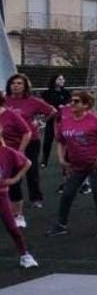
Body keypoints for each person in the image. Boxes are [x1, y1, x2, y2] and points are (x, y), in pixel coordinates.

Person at [47, 90, 97, 237]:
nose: (72, 103)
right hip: (76, 165)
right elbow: (61, 141)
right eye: (72, 100)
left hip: (95, 164)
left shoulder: (95, 120)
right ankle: (61, 225)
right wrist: (61, 159)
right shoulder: (66, 120)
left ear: (86, 104)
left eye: (76, 101)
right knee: (67, 194)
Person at [3, 74, 54, 217]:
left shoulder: (33, 101)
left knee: (31, 170)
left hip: (31, 141)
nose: (16, 86)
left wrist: (40, 122)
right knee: (9, 171)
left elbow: (52, 111)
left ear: (25, 86)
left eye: (19, 83)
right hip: (9, 142)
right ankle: (12, 198)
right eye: (13, 83)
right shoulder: (5, 101)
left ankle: (36, 198)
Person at [0, 141, 38, 268]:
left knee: (12, 227)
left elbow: (27, 163)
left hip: (1, 194)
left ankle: (24, 255)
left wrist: (15, 179)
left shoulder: (7, 152)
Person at [0, 94, 32, 229]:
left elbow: (27, 132)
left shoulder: (10, 114)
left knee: (13, 186)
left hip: (9, 155)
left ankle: (18, 215)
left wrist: (20, 151)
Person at [40, 75, 70, 169]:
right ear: (54, 80)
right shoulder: (47, 93)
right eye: (59, 79)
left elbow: (69, 102)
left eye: (62, 79)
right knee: (48, 140)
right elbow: (45, 105)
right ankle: (44, 160)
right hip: (52, 119)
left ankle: (67, 158)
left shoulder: (65, 92)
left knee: (66, 140)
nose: (62, 80)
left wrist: (64, 106)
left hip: (63, 120)